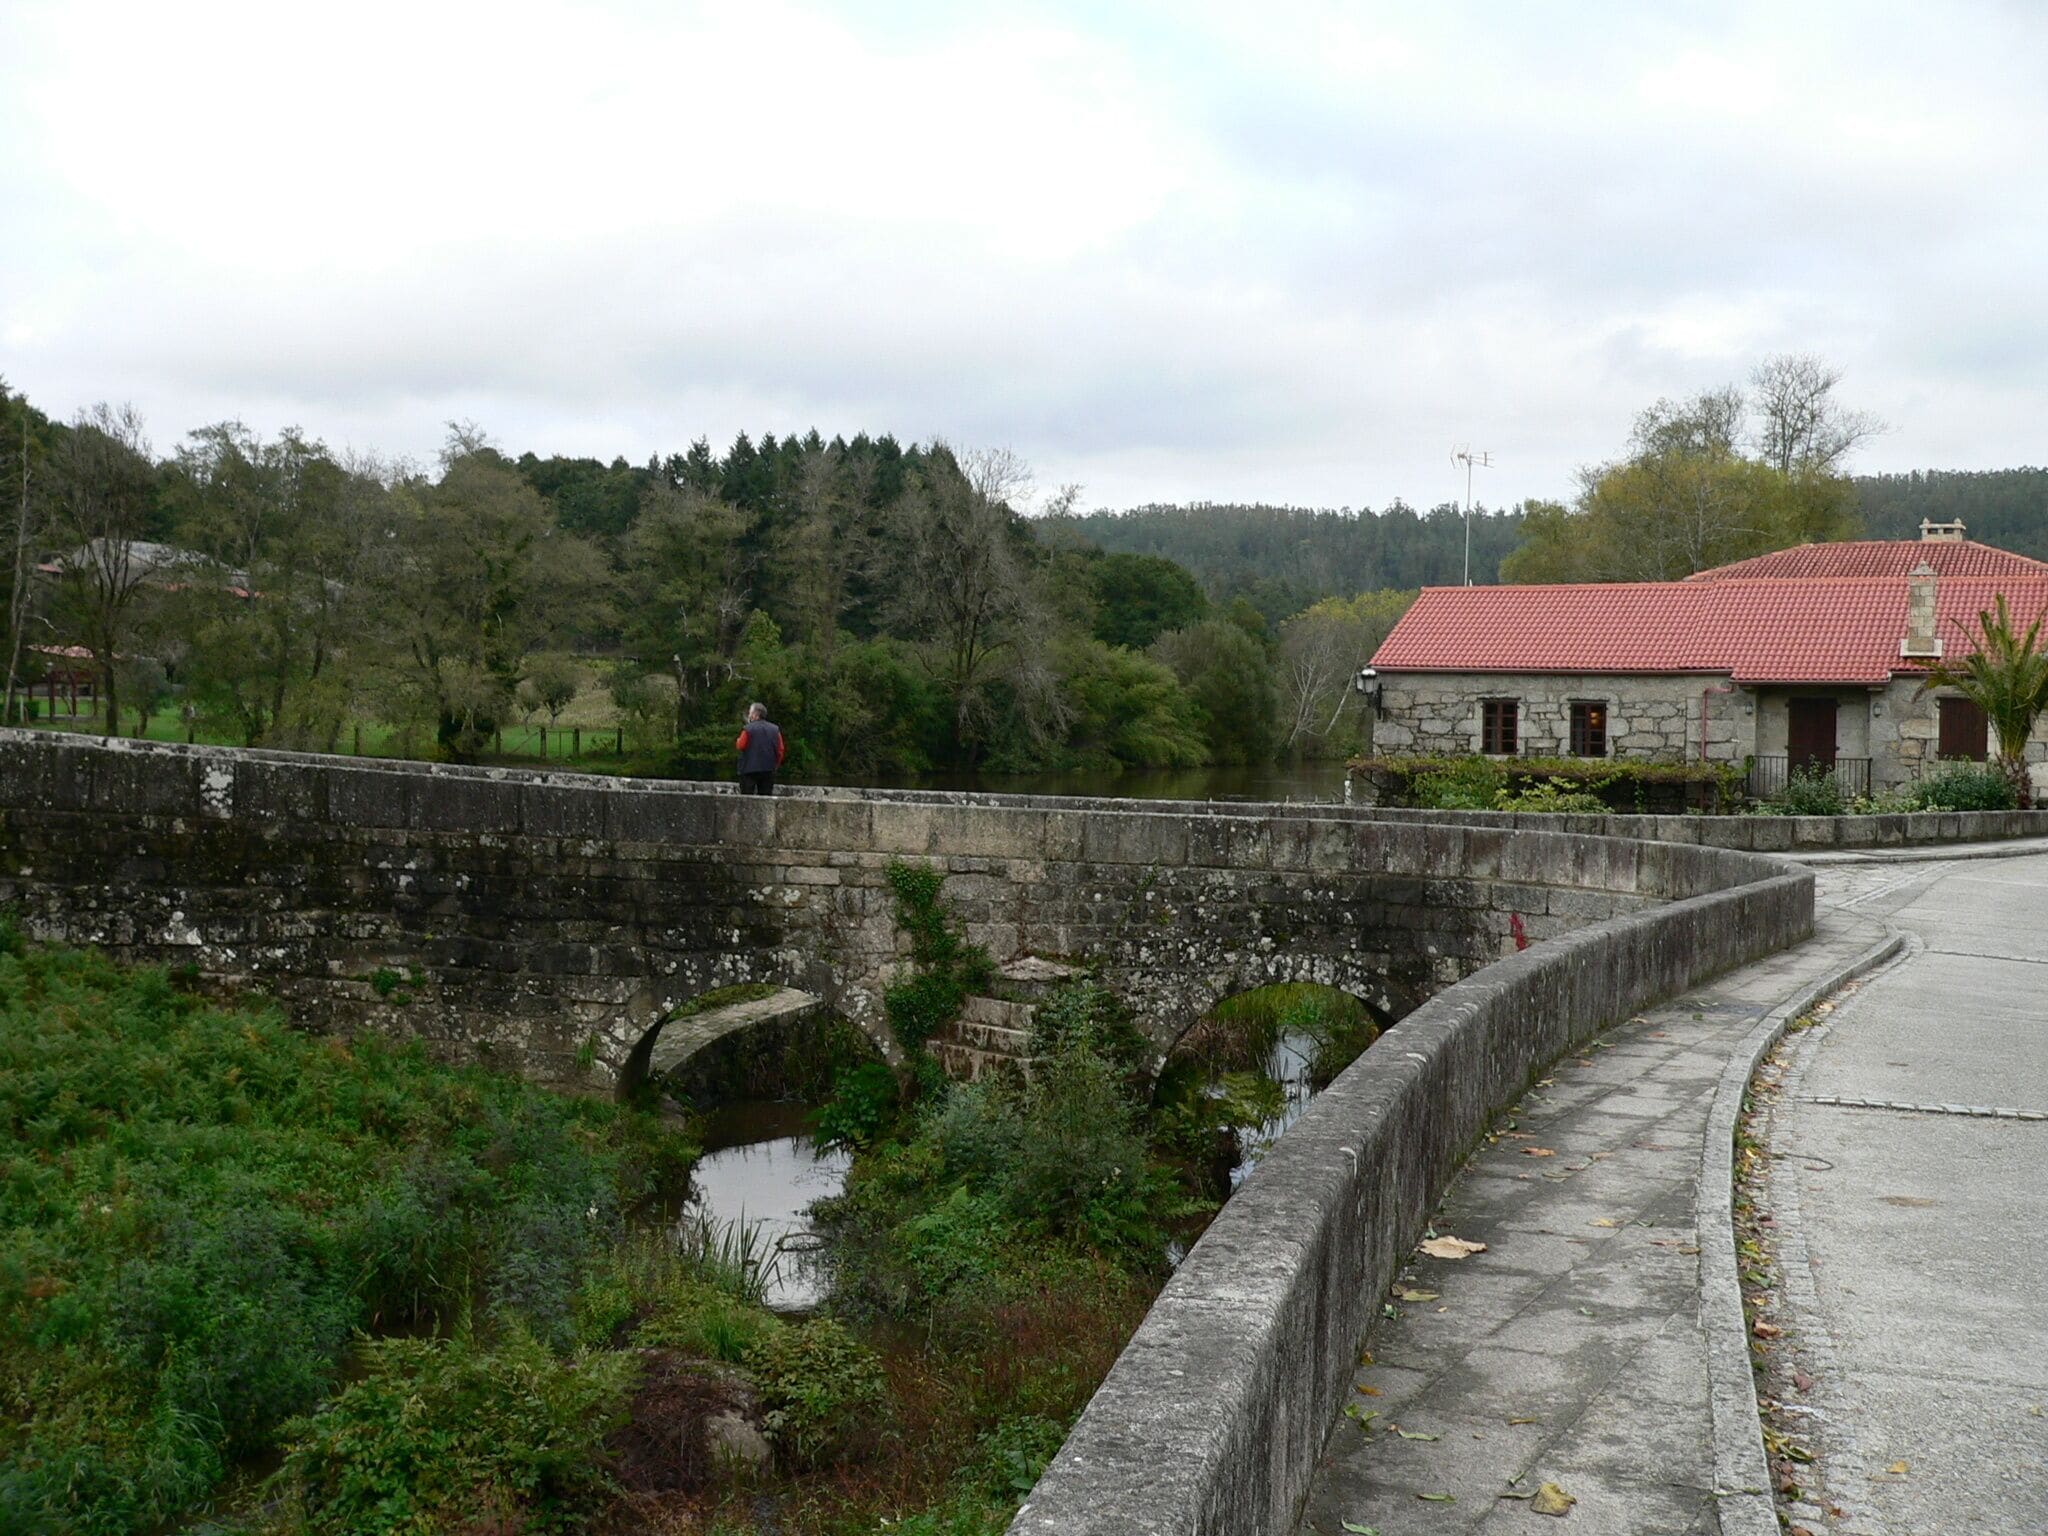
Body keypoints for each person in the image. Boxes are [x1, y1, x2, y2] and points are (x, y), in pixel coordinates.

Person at [735, 702, 785, 796]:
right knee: (766, 798)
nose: (749, 715)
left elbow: (740, 745)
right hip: (768, 769)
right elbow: (780, 750)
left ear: (755, 715)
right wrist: (775, 765)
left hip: (748, 769)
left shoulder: (748, 729)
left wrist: (737, 740)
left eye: (750, 713)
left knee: (747, 799)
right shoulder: (775, 729)